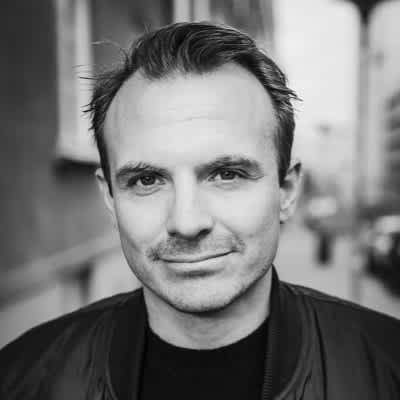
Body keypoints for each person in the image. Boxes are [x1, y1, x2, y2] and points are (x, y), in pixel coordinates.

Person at [1, 22, 400, 400]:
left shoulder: (387, 368)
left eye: (227, 174)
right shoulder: (22, 379)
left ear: (287, 190)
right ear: (110, 198)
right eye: (147, 180)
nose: (187, 222)